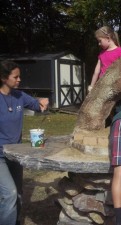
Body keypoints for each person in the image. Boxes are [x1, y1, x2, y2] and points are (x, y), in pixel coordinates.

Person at [0, 60, 48, 225]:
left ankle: (16, 221)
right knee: (10, 193)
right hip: (0, 156)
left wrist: (43, 102)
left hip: (16, 154)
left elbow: (36, 105)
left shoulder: (19, 96)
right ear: (3, 78)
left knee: (19, 193)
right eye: (16, 77)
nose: (19, 80)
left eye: (19, 76)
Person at [88, 26, 121, 92]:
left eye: (100, 41)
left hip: (115, 86)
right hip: (102, 86)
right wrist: (91, 86)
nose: (99, 44)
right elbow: (96, 71)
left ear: (108, 38)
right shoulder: (101, 54)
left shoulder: (120, 51)